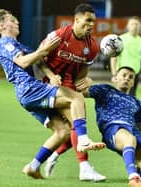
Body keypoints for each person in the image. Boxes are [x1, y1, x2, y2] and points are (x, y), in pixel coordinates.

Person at [0, 9, 105, 180]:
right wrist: (42, 51)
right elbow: (24, 61)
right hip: (29, 88)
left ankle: (33, 166)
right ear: (2, 26)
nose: (17, 22)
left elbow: (39, 61)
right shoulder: (5, 43)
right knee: (76, 98)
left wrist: (51, 75)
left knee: (63, 131)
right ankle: (83, 143)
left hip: (28, 93)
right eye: (12, 20)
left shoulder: (18, 44)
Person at [40, 3, 107, 182]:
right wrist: (51, 75)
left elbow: (81, 77)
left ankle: (54, 157)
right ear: (76, 20)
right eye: (88, 21)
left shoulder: (91, 47)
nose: (91, 25)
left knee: (75, 128)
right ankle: (84, 167)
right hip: (47, 84)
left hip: (69, 84)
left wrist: (87, 82)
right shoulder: (58, 36)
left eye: (93, 21)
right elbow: (39, 59)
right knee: (78, 124)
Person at [83, 67, 141, 187]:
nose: (127, 79)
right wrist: (84, 82)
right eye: (124, 75)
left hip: (133, 132)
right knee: (129, 139)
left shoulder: (136, 102)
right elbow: (82, 92)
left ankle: (138, 174)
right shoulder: (104, 89)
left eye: (131, 77)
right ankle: (133, 177)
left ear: (133, 83)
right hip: (113, 127)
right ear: (115, 78)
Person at [110, 16, 141, 96]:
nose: (135, 26)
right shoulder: (121, 39)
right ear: (128, 26)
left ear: (140, 27)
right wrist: (114, 74)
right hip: (122, 73)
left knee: (132, 96)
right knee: (120, 95)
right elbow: (114, 57)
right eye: (132, 24)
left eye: (137, 24)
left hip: (134, 74)